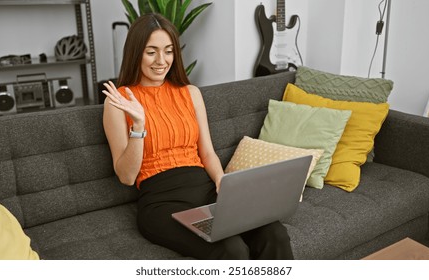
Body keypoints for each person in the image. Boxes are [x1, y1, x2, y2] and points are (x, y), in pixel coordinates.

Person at [102, 13, 293, 260]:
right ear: (135, 52)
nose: (161, 60)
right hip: (162, 202)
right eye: (151, 52)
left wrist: (222, 181)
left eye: (168, 51)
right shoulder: (118, 102)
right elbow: (126, 177)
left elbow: (207, 152)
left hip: (205, 190)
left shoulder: (190, 93)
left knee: (274, 233)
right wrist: (139, 124)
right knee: (231, 249)